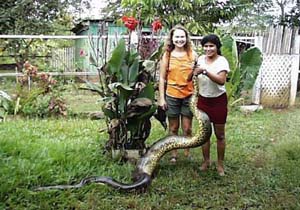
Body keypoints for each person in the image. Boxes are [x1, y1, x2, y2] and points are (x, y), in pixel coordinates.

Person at [159, 25, 198, 163]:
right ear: (172, 39)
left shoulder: (193, 54)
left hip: (189, 96)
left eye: (182, 37)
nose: (180, 39)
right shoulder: (167, 55)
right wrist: (162, 99)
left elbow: (197, 75)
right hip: (172, 96)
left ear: (186, 38)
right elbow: (162, 78)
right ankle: (174, 154)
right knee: (173, 128)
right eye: (177, 37)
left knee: (187, 128)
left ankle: (187, 152)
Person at [193, 34, 230, 176]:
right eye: (206, 46)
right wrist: (193, 72)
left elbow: (221, 81)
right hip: (203, 100)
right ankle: (206, 161)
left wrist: (205, 71)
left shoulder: (222, 61)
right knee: (205, 134)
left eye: (211, 46)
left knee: (220, 135)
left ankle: (220, 164)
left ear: (217, 47)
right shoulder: (200, 59)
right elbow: (191, 76)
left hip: (218, 101)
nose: (208, 49)